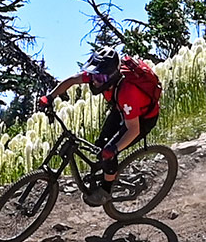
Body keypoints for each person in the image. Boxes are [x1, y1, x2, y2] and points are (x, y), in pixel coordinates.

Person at [39, 47, 163, 203]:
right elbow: (71, 80)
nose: (96, 82)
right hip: (122, 110)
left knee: (109, 152)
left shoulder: (127, 92)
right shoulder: (99, 75)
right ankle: (105, 170)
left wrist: (113, 150)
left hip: (142, 120)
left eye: (101, 78)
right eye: (94, 75)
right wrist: (49, 97)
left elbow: (133, 129)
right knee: (100, 145)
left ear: (112, 76)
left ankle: (106, 189)